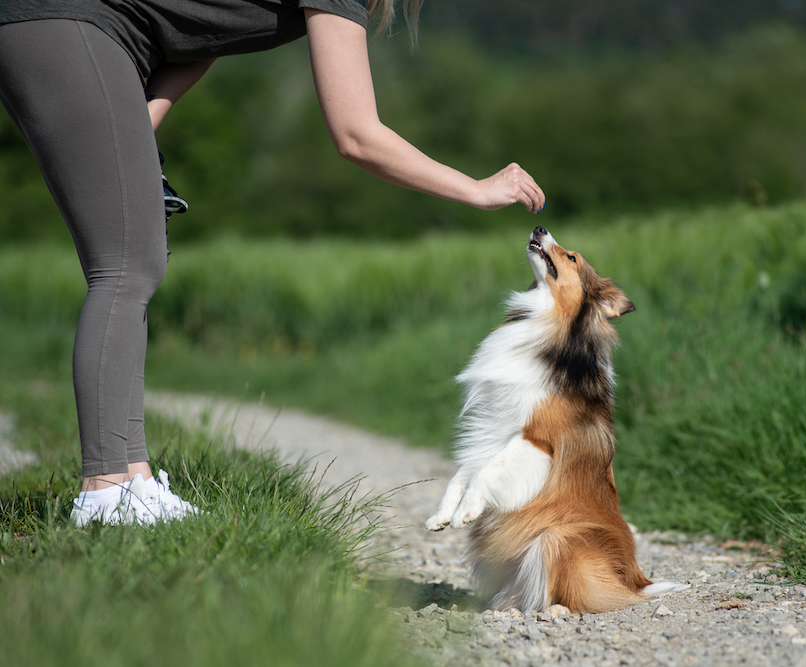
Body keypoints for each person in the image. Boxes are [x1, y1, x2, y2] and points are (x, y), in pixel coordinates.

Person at [0, 0, 546, 526]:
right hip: (66, 21)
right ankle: (104, 491)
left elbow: (198, 32)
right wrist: (475, 189)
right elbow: (357, 135)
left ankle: (133, 480)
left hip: (97, 38)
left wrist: (138, 127)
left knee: (141, 260)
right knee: (125, 267)